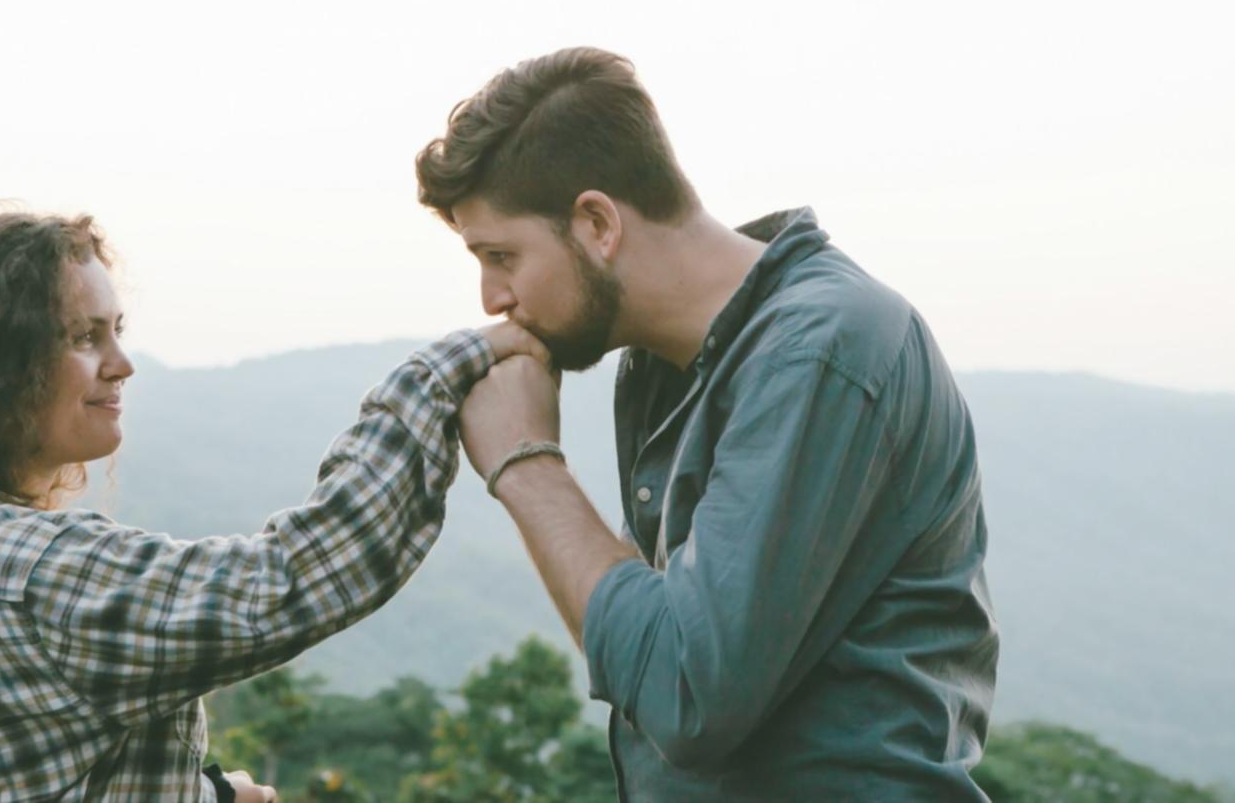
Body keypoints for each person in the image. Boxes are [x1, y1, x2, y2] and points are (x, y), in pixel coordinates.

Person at [0, 207, 545, 802]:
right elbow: (288, 581)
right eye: (83, 336)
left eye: (117, 330)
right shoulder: (31, 572)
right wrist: (443, 372)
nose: (121, 363)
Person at [415, 47, 1000, 800]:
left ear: (596, 222)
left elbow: (687, 694)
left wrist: (525, 463)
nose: (492, 295)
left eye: (501, 254)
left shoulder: (820, 348)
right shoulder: (664, 366)